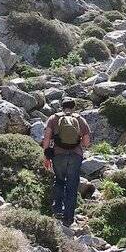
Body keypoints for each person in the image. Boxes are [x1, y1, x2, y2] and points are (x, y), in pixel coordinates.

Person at [42, 97, 91, 226]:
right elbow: (86, 143)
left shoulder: (53, 118)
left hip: (58, 155)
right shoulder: (80, 120)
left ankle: (58, 210)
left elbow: (46, 138)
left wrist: (46, 156)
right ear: (74, 107)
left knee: (59, 181)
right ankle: (69, 217)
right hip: (75, 156)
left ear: (62, 107)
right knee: (72, 186)